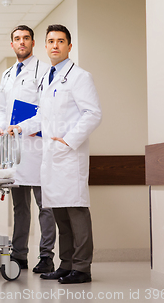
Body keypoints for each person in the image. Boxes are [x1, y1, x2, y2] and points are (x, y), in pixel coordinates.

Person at [7, 24, 102, 284]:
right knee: (59, 212)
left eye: (61, 41)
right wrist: (20, 127)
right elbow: (42, 117)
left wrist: (68, 141)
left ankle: (82, 267)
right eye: (51, 41)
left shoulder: (80, 76)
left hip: (69, 155)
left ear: (69, 46)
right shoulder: (49, 78)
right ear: (46, 46)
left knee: (76, 212)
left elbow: (93, 113)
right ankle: (66, 263)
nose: (55, 45)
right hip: (51, 158)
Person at [0, 25, 56, 272]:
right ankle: (19, 255)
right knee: (20, 208)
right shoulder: (8, 74)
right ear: (12, 44)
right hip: (14, 151)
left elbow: (46, 111)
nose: (21, 42)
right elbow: (2, 109)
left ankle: (46, 256)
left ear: (33, 42)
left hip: (37, 147)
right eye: (17, 39)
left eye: (26, 38)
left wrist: (20, 127)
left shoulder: (43, 71)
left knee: (45, 207)